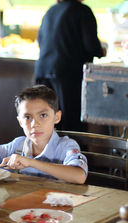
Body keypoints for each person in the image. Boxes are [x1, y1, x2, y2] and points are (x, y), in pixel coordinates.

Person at [0, 85, 88, 184]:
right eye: (28, 117)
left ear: (57, 117)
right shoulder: (18, 145)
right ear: (20, 121)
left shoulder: (65, 146)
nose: (35, 124)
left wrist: (31, 162)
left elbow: (79, 176)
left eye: (43, 115)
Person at [35, 0, 105, 132]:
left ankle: (49, 153)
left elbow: (40, 40)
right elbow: (91, 44)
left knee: (47, 123)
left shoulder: (51, 11)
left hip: (44, 72)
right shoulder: (82, 11)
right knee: (72, 124)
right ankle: (74, 152)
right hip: (68, 74)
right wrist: (101, 51)